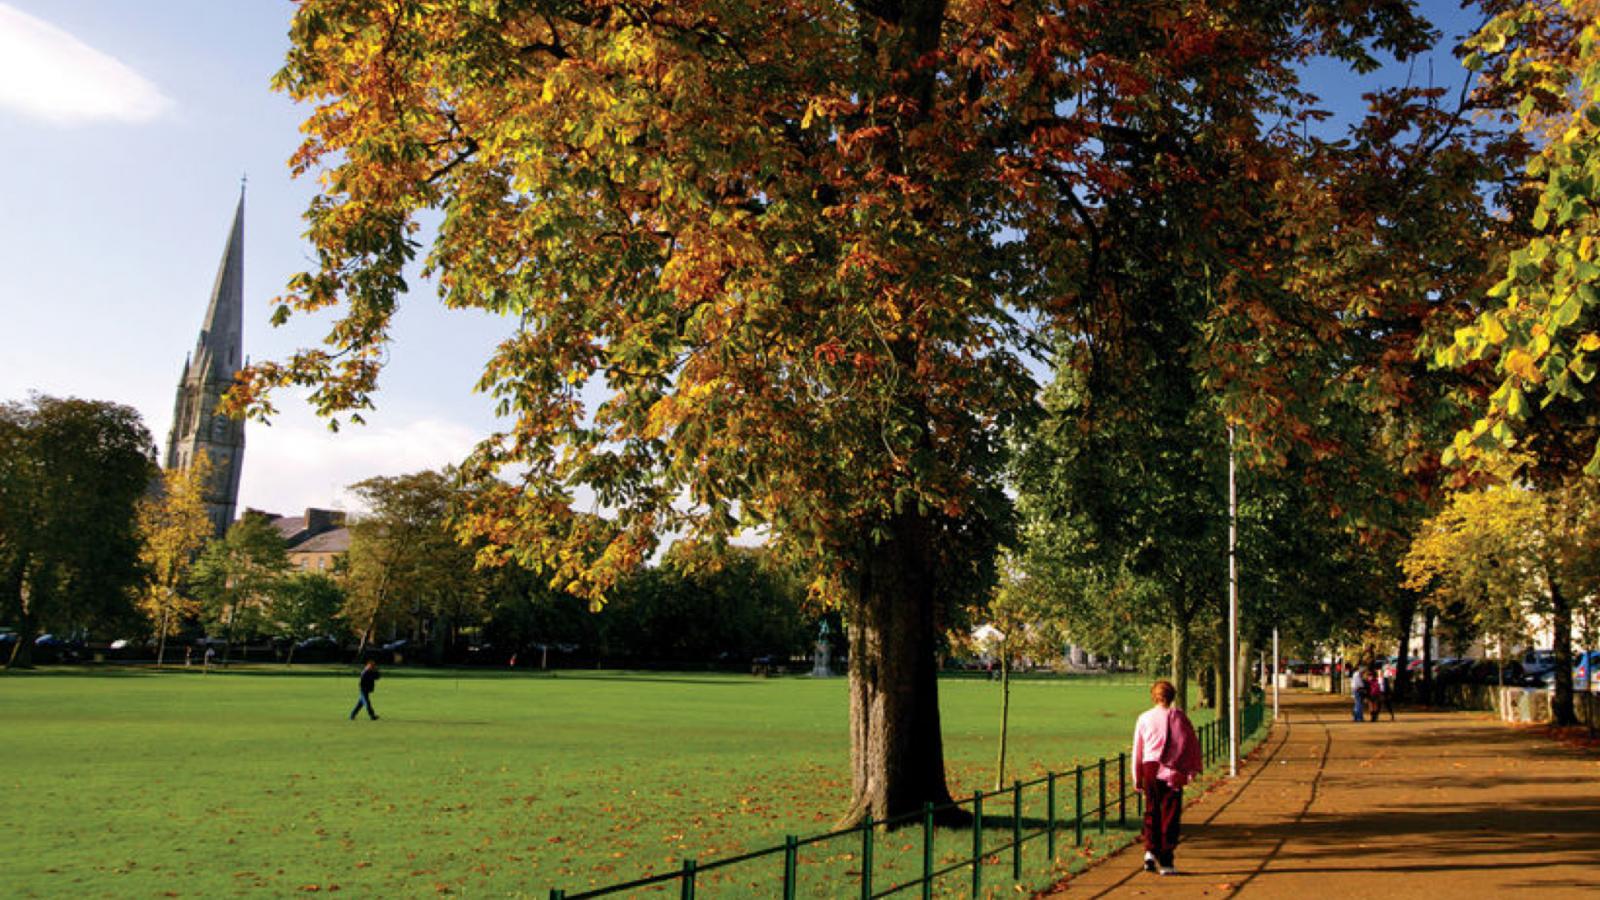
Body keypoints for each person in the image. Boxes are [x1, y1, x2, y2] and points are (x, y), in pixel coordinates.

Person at [1131, 679, 1203, 876]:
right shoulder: (1180, 718)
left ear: (1154, 696)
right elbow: (1190, 745)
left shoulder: (1144, 718)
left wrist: (1136, 775)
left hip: (1150, 767)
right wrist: (1190, 770)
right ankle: (1166, 860)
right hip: (1174, 769)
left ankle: (1149, 852)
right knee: (1170, 814)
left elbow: (1138, 749)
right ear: (1172, 696)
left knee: (1151, 810)